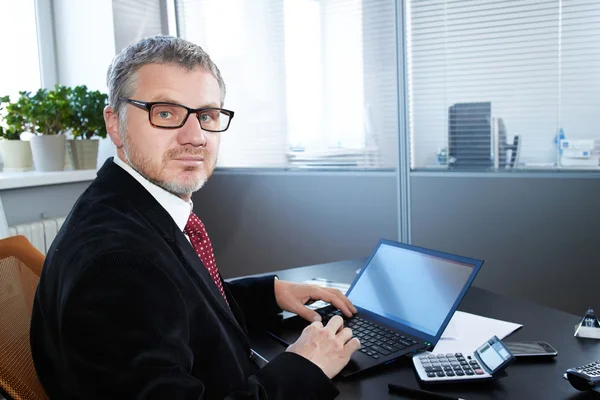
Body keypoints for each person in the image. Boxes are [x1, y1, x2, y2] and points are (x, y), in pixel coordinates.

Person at [29, 35, 360, 399]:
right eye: (166, 112)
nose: (196, 136)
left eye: (206, 115)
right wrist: (304, 367)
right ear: (114, 123)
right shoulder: (118, 264)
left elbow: (175, 304)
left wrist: (270, 293)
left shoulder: (127, 206)